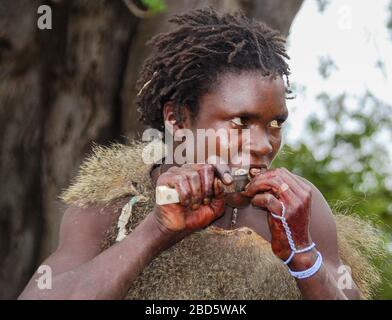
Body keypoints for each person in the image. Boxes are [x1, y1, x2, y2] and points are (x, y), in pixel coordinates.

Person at [19, 8, 383, 300]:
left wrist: (303, 256)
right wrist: (156, 231)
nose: (263, 144)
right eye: (240, 121)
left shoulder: (299, 213)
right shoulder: (114, 203)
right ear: (177, 118)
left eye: (275, 123)